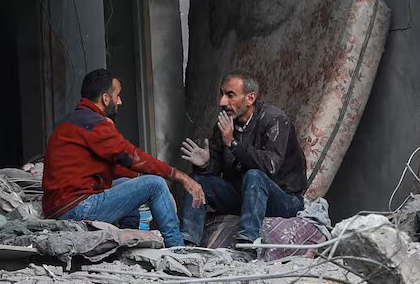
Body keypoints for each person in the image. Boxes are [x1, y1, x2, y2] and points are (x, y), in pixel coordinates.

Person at [43, 69, 203, 247]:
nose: (120, 101)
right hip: (77, 208)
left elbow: (116, 166)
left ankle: (129, 239)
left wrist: (139, 180)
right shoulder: (95, 124)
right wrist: (179, 176)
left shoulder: (70, 122)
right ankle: (178, 249)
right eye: (117, 96)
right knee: (156, 184)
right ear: (105, 98)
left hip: (59, 207)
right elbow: (130, 156)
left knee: (127, 182)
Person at [177, 71, 307, 252]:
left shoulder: (274, 120)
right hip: (244, 196)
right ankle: (187, 244)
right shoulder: (226, 124)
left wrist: (233, 143)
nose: (222, 102)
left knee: (254, 176)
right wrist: (206, 164)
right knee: (196, 181)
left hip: (284, 199)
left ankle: (247, 246)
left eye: (230, 95)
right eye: (222, 94)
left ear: (250, 98)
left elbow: (270, 166)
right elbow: (216, 170)